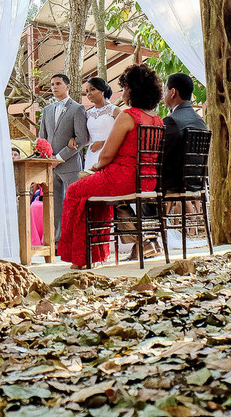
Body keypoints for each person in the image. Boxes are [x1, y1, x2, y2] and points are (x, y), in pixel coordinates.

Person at [57, 64, 163, 269]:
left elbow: (106, 154)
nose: (122, 93)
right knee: (90, 193)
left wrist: (95, 168)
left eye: (124, 88)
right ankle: (94, 254)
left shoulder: (128, 115)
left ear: (133, 90)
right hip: (147, 180)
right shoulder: (156, 119)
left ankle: (81, 257)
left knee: (74, 190)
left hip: (122, 177)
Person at [37, 73, 89, 241]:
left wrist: (58, 157)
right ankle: (58, 242)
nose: (54, 87)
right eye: (52, 84)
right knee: (54, 207)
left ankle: (75, 240)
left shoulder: (77, 108)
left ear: (67, 86)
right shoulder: (46, 110)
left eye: (58, 83)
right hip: (50, 167)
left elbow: (81, 139)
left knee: (73, 205)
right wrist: (46, 158)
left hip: (70, 165)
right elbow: (41, 138)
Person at [160, 73, 207, 192]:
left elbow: (160, 155)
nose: (164, 95)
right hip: (197, 182)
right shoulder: (200, 122)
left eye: (165, 90)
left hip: (173, 183)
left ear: (173, 92)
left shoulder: (171, 121)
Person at [81, 76, 119, 172]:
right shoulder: (88, 113)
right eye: (87, 91)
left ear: (102, 90)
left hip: (108, 152)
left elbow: (122, 135)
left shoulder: (114, 110)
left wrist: (103, 143)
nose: (89, 94)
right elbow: (86, 137)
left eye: (92, 89)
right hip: (91, 154)